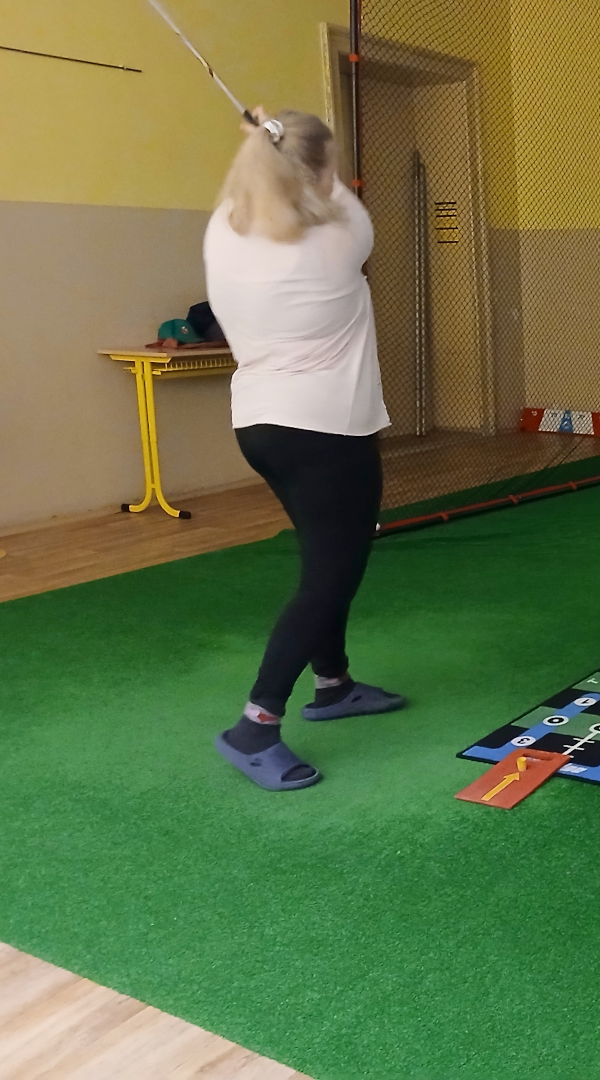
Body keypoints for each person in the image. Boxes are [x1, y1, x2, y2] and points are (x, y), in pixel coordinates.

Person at [204, 108, 403, 791]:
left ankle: (334, 682)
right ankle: (255, 725)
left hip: (260, 427)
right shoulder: (340, 238)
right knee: (331, 575)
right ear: (320, 169)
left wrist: (272, 145)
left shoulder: (223, 230)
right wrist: (278, 139)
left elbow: (284, 182)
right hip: (327, 432)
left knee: (325, 558)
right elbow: (338, 197)